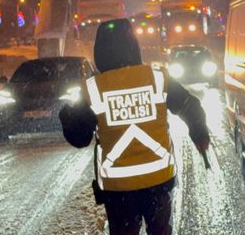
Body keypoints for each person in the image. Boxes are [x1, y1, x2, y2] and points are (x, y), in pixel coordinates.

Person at [59, 18, 210, 235]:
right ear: (134, 47)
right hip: (158, 183)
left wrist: (67, 117)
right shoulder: (157, 78)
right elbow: (190, 107)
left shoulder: (93, 89)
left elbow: (80, 138)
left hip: (119, 191)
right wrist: (200, 136)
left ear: (99, 51)